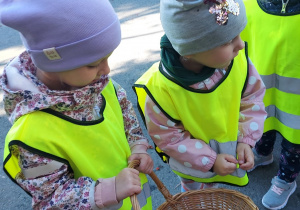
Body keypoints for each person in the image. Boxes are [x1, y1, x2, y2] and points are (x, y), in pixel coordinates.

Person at [0, 0, 153, 209]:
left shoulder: (103, 87)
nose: (106, 70)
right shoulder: (31, 135)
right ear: (53, 61)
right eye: (93, 64)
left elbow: (127, 121)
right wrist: (111, 189)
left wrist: (137, 147)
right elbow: (51, 198)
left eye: (108, 58)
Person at [133, 0, 267, 192]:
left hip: (231, 156)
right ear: (190, 50)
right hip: (195, 167)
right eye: (228, 41)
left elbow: (251, 98)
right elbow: (169, 137)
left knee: (219, 196)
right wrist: (210, 161)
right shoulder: (161, 87)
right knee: (196, 197)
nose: (241, 45)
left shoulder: (237, 61)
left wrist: (245, 140)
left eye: (239, 34)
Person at [241, 0, 300, 209]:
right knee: (263, 122)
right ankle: (263, 153)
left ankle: (286, 179)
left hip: (297, 101)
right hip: (262, 91)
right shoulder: (248, 4)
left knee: (295, 139)